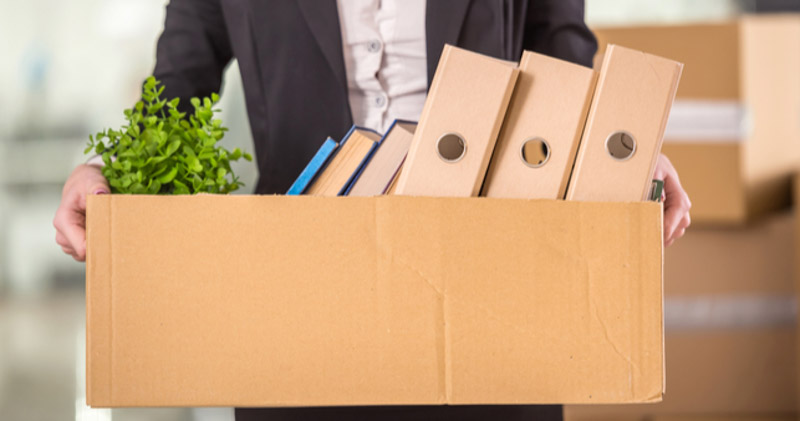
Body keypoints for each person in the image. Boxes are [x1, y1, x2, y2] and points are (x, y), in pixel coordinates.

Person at [54, 1, 692, 419]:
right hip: (298, 298)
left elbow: (565, 57)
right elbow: (178, 81)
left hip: (489, 281)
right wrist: (112, 171)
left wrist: (631, 160)